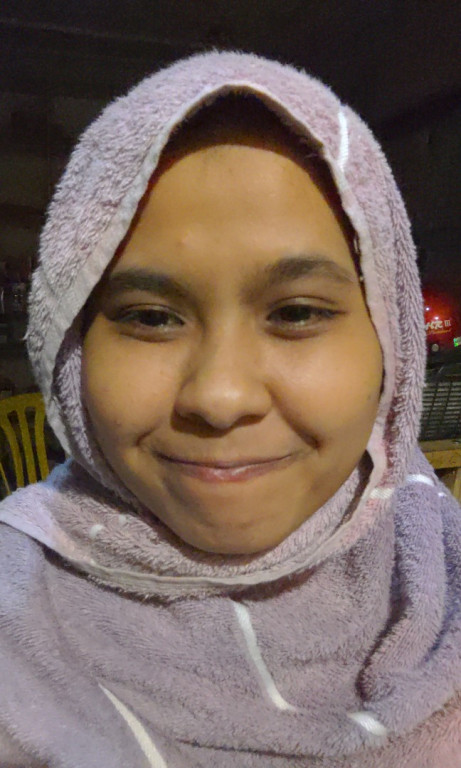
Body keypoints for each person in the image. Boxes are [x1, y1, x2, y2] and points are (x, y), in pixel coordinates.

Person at [0, 50, 460, 768]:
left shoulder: (436, 562)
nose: (219, 398)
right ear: (70, 345)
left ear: (389, 343)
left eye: (297, 312)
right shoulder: (16, 606)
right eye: (150, 317)